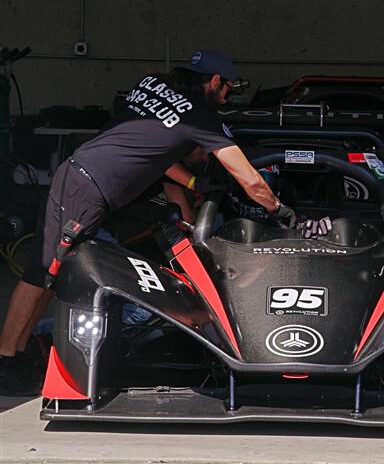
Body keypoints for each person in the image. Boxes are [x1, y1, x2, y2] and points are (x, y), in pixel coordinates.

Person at [0, 49, 296, 395]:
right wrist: (279, 210)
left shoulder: (152, 84)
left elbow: (156, 153)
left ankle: (20, 353)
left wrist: (194, 183)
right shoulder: (201, 117)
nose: (227, 97)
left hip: (82, 179)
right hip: (87, 188)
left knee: (51, 276)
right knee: (40, 274)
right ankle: (6, 360)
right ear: (216, 81)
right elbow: (250, 180)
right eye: (228, 89)